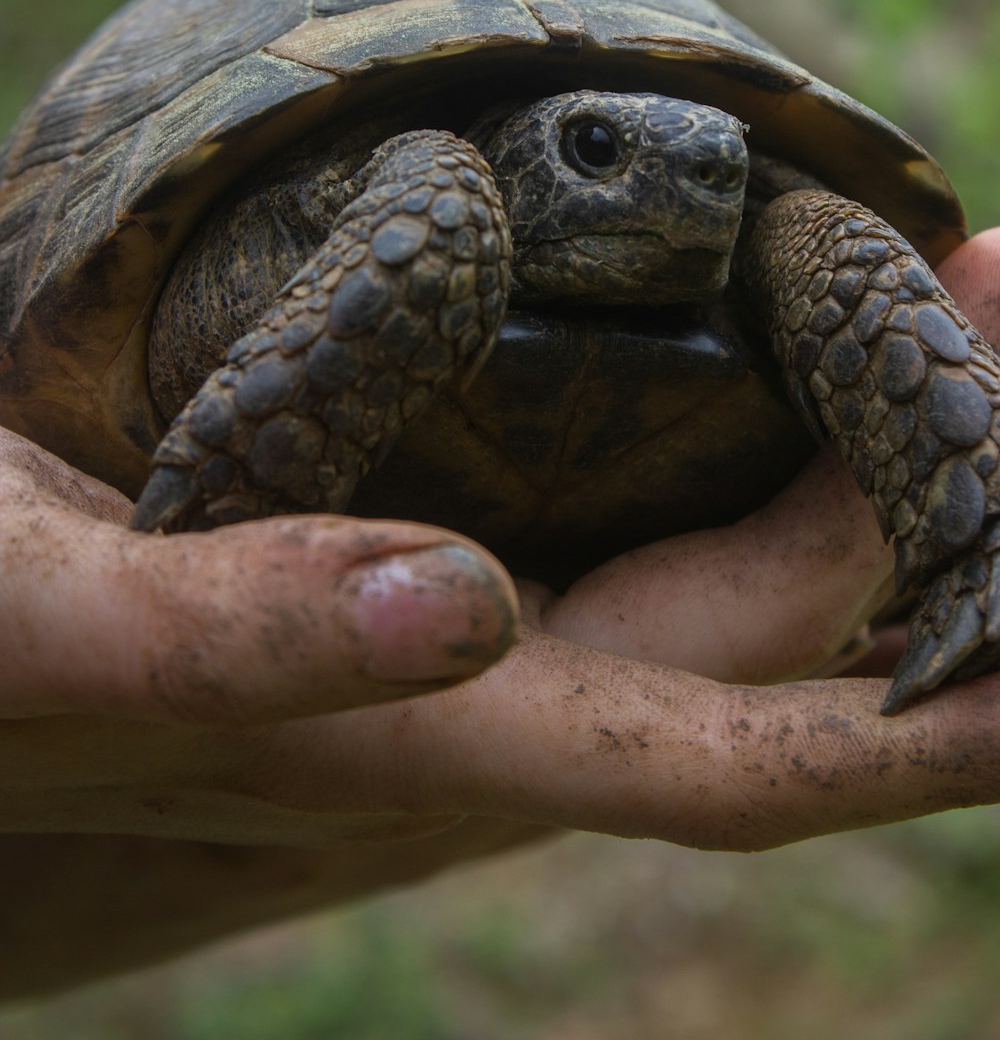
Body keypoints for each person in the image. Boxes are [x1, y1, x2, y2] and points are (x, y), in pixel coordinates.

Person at [3, 231, 1000, 1002]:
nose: (685, 181)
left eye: (713, 169)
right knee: (437, 204)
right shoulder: (440, 196)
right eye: (598, 149)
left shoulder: (790, 233)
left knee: (840, 248)